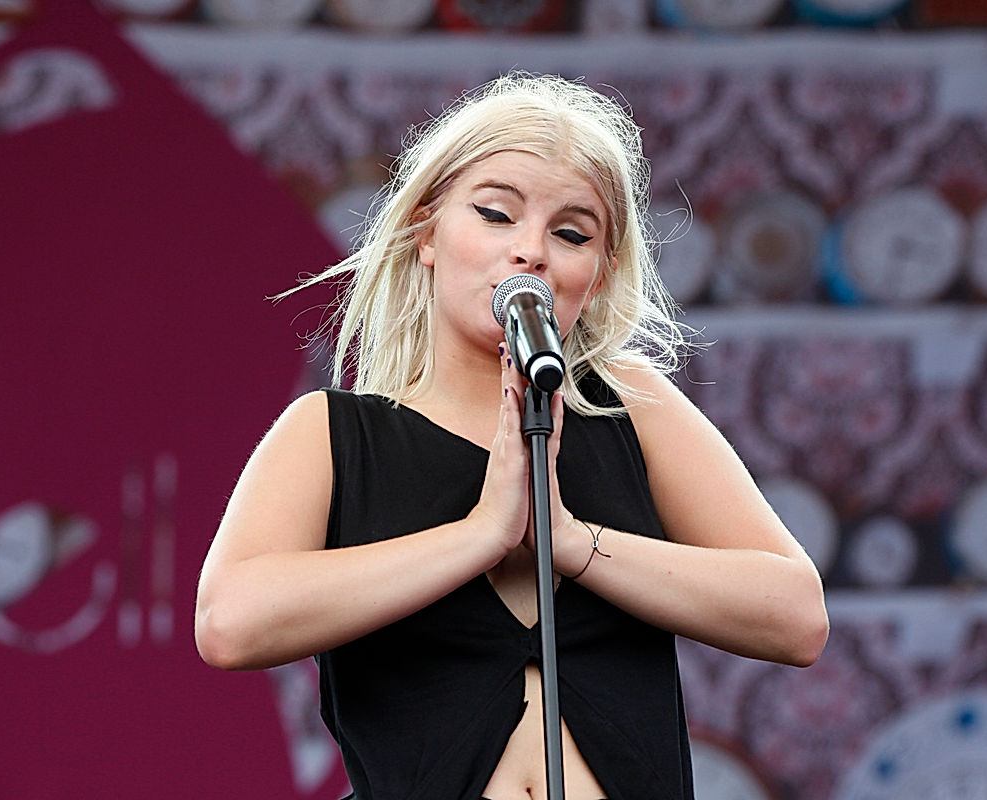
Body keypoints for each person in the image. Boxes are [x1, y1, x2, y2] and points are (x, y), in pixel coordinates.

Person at [194, 72, 829, 800]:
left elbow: (796, 617)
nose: (531, 251)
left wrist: (571, 541)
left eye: (571, 233)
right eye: (496, 214)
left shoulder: (633, 405)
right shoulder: (334, 435)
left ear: (599, 274)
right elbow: (229, 623)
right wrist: (481, 535)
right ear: (427, 234)